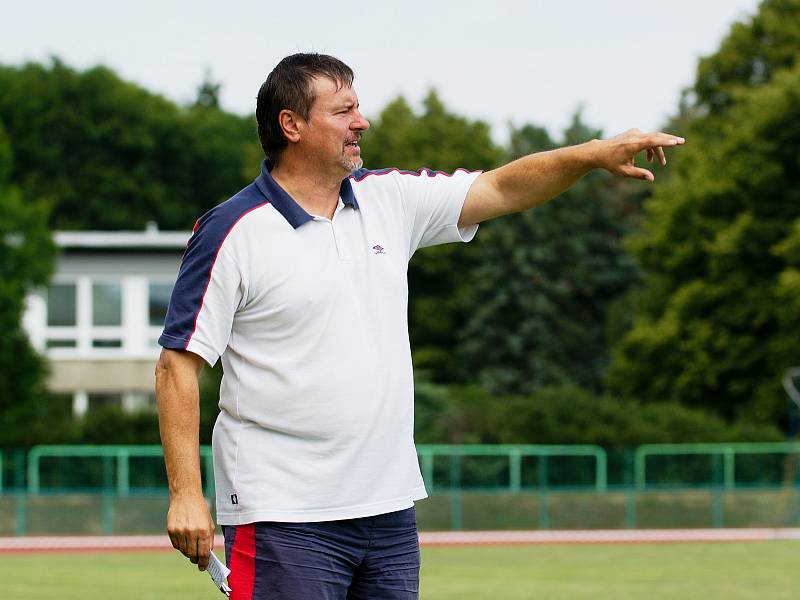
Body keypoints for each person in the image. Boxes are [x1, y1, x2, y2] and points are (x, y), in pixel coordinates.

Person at [155, 52, 684, 599]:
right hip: (284, 514)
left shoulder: (391, 197)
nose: (362, 121)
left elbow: (501, 188)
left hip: (388, 513)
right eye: (343, 111)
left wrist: (593, 155)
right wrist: (186, 494)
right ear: (292, 125)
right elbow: (177, 365)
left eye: (358, 107)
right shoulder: (232, 230)